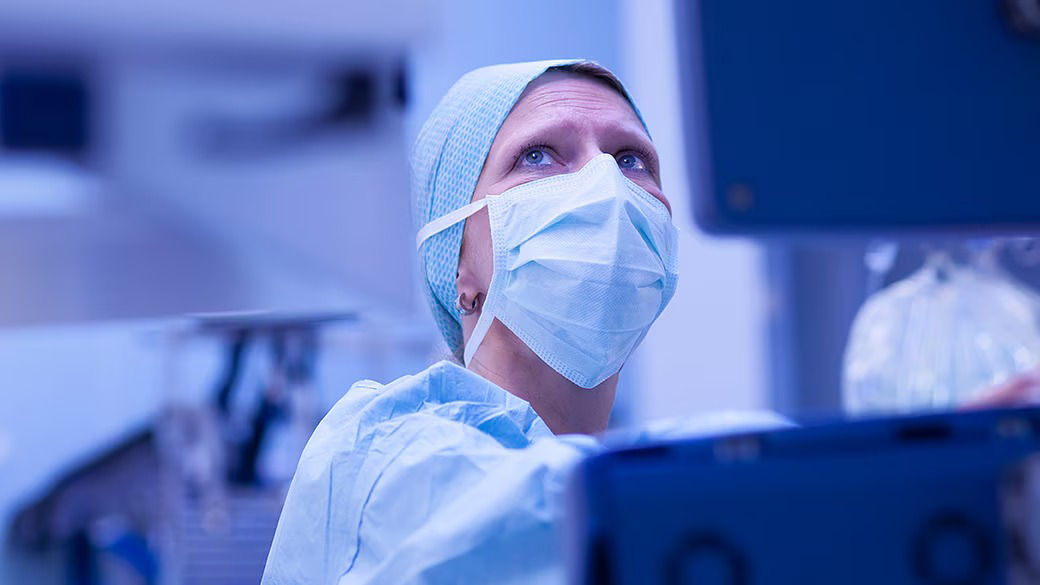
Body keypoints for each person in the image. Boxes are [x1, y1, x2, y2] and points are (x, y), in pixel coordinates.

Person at [260, 59, 1040, 584]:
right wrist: (918, 473)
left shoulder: (650, 467)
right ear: (457, 262)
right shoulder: (385, 450)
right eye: (539, 156)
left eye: (632, 159)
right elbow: (556, 519)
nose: (605, 184)